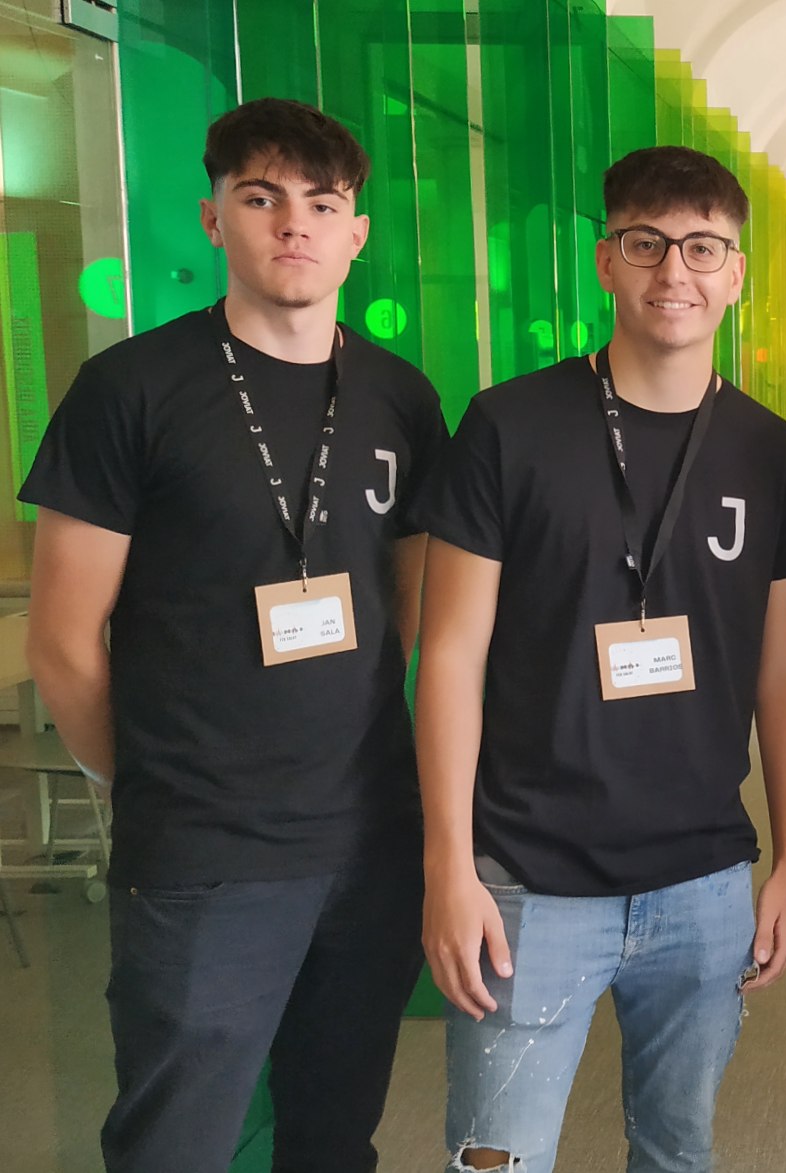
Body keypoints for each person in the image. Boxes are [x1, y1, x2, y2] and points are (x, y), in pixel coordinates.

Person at [21, 97, 447, 1172]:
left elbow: (411, 610)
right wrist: (147, 781)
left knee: (333, 1136)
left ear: (356, 233)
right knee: (176, 1142)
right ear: (214, 219)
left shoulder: (401, 398)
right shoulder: (130, 390)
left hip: (368, 842)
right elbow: (62, 640)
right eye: (261, 198)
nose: (294, 222)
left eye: (322, 203)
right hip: (203, 853)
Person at [414, 145, 786, 1173]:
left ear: (736, 274)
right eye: (646, 244)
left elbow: (785, 671)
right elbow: (451, 652)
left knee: (677, 1151)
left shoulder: (773, 455)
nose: (674, 271)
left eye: (702, 247)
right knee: (495, 1159)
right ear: (606, 261)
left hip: (702, 881)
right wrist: (447, 863)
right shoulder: (509, 426)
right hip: (528, 875)